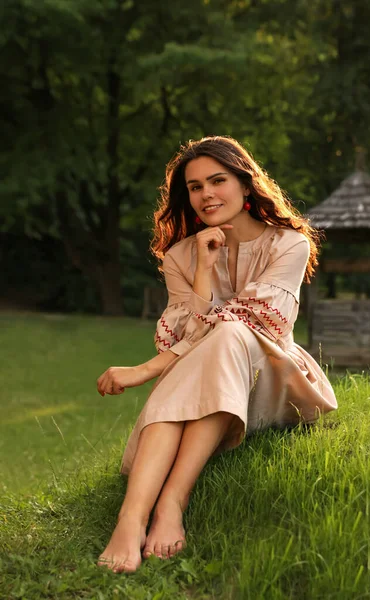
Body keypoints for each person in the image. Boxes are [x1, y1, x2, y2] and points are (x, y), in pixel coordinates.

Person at [96, 135, 337, 573]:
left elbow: (256, 321)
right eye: (194, 187)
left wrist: (149, 369)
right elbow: (178, 338)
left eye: (217, 180)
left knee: (227, 333)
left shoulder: (289, 244)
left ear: (246, 185)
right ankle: (131, 520)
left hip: (273, 377)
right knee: (205, 352)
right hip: (205, 375)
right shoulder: (179, 257)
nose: (206, 194)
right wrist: (204, 271)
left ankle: (173, 498)